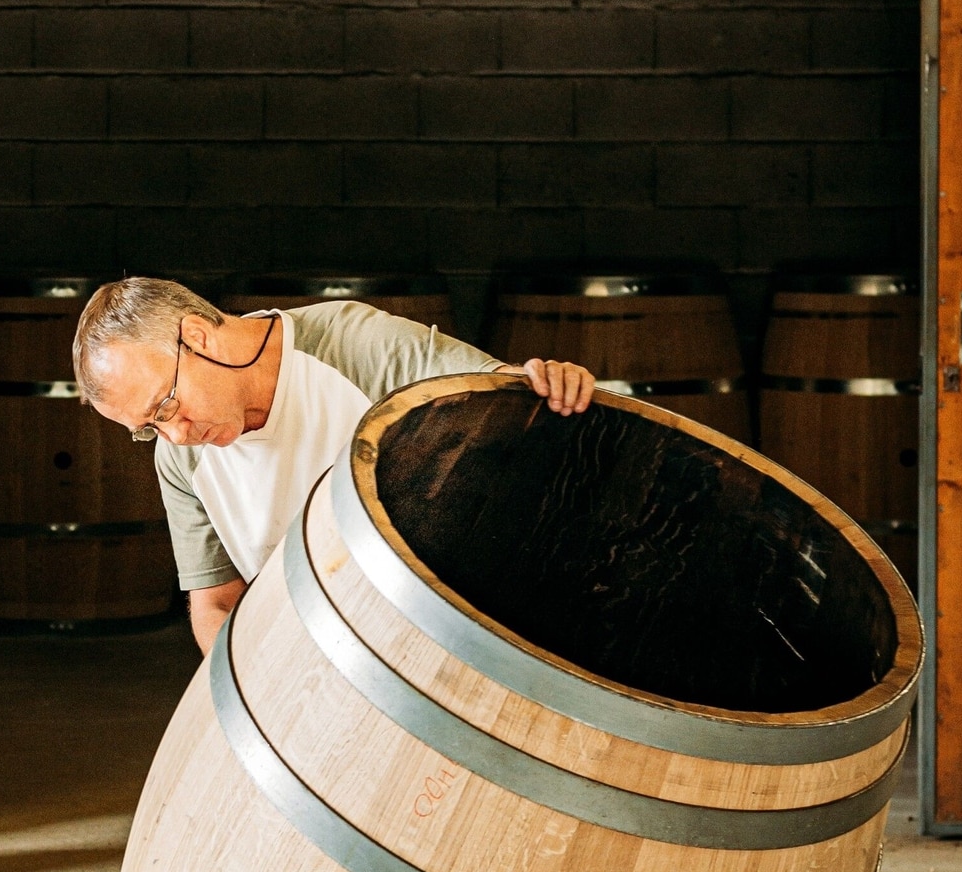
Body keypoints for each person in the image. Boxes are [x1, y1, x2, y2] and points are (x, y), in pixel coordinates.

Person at [73, 278, 595, 652]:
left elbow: (499, 399)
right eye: (149, 428)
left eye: (166, 407)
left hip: (462, 630)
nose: (175, 434)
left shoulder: (349, 345)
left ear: (197, 337)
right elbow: (215, 604)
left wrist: (543, 381)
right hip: (325, 658)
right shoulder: (180, 457)